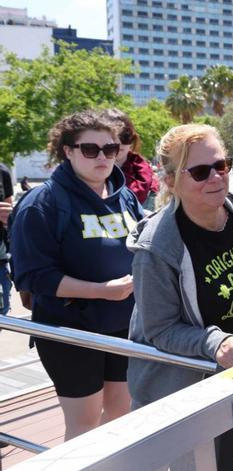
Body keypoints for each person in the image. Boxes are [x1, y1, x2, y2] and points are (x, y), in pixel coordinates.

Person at [127, 124, 233, 471]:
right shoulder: (156, 246)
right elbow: (160, 328)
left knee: (224, 469)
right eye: (201, 171)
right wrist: (215, 343)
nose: (216, 177)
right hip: (188, 383)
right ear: (171, 181)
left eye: (222, 165)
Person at [10, 110, 143, 439]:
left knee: (121, 413)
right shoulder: (41, 204)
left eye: (110, 149)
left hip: (123, 327)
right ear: (67, 151)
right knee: (83, 425)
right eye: (90, 149)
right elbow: (32, 277)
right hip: (70, 333)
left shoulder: (123, 196)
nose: (102, 157)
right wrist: (102, 290)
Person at [103, 109, 160, 210]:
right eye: (112, 137)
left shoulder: (147, 176)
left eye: (125, 136)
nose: (119, 142)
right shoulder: (85, 172)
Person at [0, 162, 13, 315]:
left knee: (2, 310)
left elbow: (8, 212)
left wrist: (9, 217)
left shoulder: (2, 171)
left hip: (1, 258)